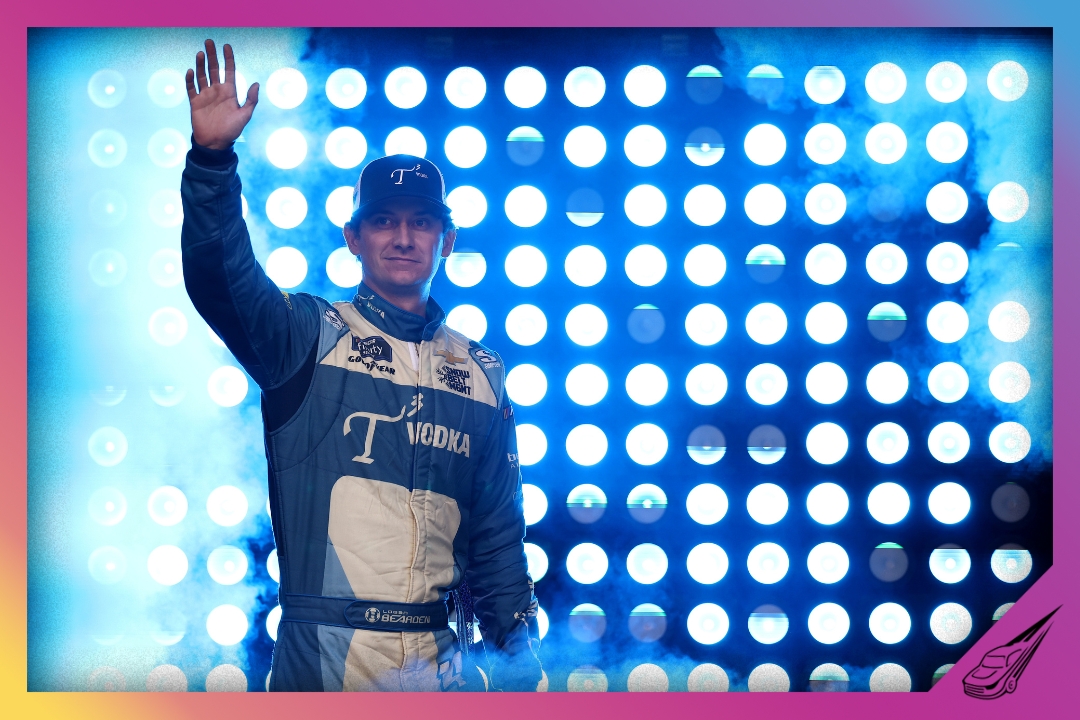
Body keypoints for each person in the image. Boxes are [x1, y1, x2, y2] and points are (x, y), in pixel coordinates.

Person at [181, 39, 542, 692]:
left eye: (422, 222)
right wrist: (212, 164)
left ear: (447, 241)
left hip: (441, 669)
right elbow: (219, 277)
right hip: (321, 663)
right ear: (353, 238)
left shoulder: (483, 371)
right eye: (382, 220)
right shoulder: (305, 335)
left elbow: (497, 543)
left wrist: (523, 669)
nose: (403, 237)